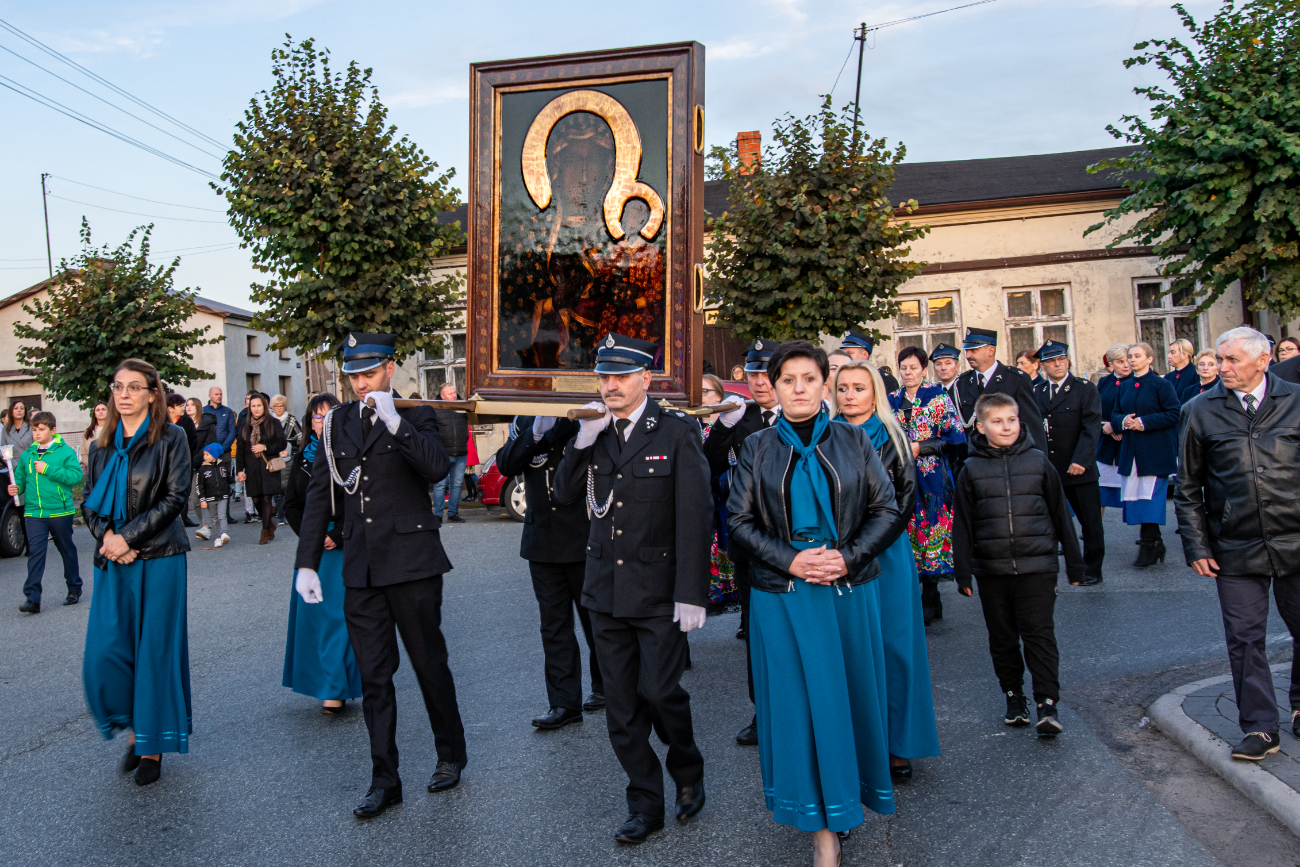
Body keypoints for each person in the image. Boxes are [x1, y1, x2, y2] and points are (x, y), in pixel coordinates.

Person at [727, 340, 900, 867]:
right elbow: (738, 522)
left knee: (844, 702)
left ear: (825, 384)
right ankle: (820, 830)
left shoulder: (855, 440)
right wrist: (792, 561)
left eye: (808, 379)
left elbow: (887, 510)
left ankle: (848, 804)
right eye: (787, 380)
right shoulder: (755, 447)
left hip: (846, 592)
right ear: (774, 388)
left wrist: (847, 558)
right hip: (783, 598)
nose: (798, 389)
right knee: (798, 708)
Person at [294, 333, 466, 819]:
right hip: (363, 566)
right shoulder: (337, 424)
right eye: (353, 376)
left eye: (369, 374)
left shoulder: (416, 415)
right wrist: (306, 561)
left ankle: (450, 753)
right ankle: (384, 778)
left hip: (412, 563)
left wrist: (395, 423)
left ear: (390, 369)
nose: (361, 384)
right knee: (374, 676)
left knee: (429, 663)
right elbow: (319, 495)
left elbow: (435, 468)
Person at [552, 332, 711, 845]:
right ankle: (646, 804)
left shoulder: (675, 431)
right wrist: (580, 439)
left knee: (662, 693)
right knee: (621, 709)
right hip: (604, 590)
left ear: (646, 378)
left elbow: (695, 515)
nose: (611, 385)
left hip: (660, 589)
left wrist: (692, 591)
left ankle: (686, 768)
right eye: (604, 376)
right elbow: (562, 495)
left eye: (621, 376)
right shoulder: (591, 431)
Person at [1177, 326, 1300, 761]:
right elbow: (1188, 486)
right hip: (1235, 546)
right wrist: (1197, 545)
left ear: (1263, 360)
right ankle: (1261, 728)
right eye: (1220, 360)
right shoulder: (1199, 409)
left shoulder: (1296, 401)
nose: (1222, 368)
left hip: (1296, 540)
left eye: (1231, 360)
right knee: (1245, 639)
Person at [82, 358, 193, 786]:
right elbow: (90, 501)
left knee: (154, 653)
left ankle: (150, 745)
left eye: (133, 387)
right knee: (106, 653)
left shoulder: (172, 437)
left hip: (161, 558)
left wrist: (128, 538)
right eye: (117, 387)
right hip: (114, 559)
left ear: (152, 393)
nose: (123, 394)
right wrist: (110, 540)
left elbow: (175, 498)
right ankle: (133, 723)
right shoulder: (100, 445)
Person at [833, 360, 939, 780]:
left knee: (895, 648)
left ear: (875, 392)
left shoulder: (893, 437)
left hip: (887, 554)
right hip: (840, 556)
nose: (850, 395)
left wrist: (865, 545)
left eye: (859, 387)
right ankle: (860, 744)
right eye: (842, 388)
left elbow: (903, 503)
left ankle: (900, 745)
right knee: (852, 652)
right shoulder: (825, 436)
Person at [953, 392, 1083, 736]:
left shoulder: (1039, 462)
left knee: (1039, 634)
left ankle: (1047, 703)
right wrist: (962, 569)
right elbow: (963, 523)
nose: (1006, 426)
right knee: (1003, 637)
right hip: (992, 569)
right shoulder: (971, 468)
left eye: (1011, 420)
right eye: (997, 421)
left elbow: (1060, 514)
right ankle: (1013, 696)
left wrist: (1074, 562)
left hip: (1038, 565)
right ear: (981, 427)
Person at [495, 410, 605, 730]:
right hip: (542, 540)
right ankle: (564, 702)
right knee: (554, 627)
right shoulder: (526, 422)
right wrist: (535, 435)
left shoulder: (583, 420)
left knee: (597, 621)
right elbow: (506, 464)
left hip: (582, 536)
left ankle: (607, 687)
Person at [705, 339, 781, 747]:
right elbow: (709, 466)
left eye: (766, 373)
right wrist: (723, 427)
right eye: (752, 374)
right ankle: (762, 711)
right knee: (758, 634)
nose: (759, 382)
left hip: (798, 546)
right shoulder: (741, 417)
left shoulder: (808, 414)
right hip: (752, 546)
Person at [282, 392, 362, 716]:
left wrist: (335, 535)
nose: (322, 421)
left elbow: (358, 503)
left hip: (342, 546)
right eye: (317, 416)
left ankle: (336, 688)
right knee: (314, 621)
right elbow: (291, 506)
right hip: (314, 551)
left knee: (339, 620)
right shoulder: (303, 458)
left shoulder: (351, 455)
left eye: (328, 415)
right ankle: (324, 685)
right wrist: (313, 539)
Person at [890, 345, 966, 625]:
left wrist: (924, 446)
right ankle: (914, 595)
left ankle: (931, 595)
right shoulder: (891, 400)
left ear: (924, 370)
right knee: (907, 537)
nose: (908, 373)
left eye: (913, 368)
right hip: (899, 480)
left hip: (933, 481)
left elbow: (957, 439)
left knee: (931, 535)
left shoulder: (938, 397)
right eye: (904, 368)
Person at [1033, 341, 1105, 585]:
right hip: (1050, 467)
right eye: (1051, 361)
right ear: (1043, 366)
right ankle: (1049, 569)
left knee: (1090, 522)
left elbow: (1091, 427)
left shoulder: (1084, 389)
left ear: (1067, 361)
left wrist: (1081, 460)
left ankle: (1092, 569)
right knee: (1050, 522)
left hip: (1078, 468)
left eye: (1061, 359)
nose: (1057, 364)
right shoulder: (1037, 392)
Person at [1112, 342, 1181, 567]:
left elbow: (1174, 413)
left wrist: (1144, 422)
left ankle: (1149, 543)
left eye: (1137, 356)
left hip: (1154, 450)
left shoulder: (1162, 384)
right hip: (1131, 450)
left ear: (1149, 359)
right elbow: (1114, 413)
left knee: (1150, 497)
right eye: (1130, 356)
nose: (1132, 360)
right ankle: (1154, 543)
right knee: (1136, 497)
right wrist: (1123, 421)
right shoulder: (1123, 385)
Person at [9, 411, 83, 613]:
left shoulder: (65, 451)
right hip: (34, 513)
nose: (37, 433)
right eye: (34, 429)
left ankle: (74, 588)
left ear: (53, 430)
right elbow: (21, 480)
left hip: (60, 511)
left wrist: (48, 469)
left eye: (41, 429)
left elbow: (75, 477)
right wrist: (16, 488)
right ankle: (32, 598)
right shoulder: (27, 455)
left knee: (66, 550)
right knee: (35, 554)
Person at [953, 327, 1048, 454]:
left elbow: (1032, 426)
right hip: (975, 461)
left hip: (1011, 458)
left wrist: (1037, 465)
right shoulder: (962, 382)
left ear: (991, 350)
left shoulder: (1017, 379)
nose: (968, 356)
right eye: (967, 351)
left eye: (973, 350)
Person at [699, 374, 739, 610]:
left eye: (705, 391)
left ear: (719, 395)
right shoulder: (691, 425)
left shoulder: (728, 426)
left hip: (724, 494)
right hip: (702, 497)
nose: (700, 397)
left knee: (725, 539)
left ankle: (730, 591)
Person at [236, 392, 286, 544]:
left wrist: (264, 447)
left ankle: (265, 531)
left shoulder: (273, 423)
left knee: (266, 497)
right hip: (252, 468)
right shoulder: (245, 426)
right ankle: (270, 524)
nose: (256, 409)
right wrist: (240, 470)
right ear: (249, 407)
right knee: (256, 497)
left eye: (259, 406)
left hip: (268, 466)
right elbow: (240, 450)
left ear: (264, 406)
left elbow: (281, 443)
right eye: (253, 406)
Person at [1096, 344, 1131, 511]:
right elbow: (1094, 410)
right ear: (1111, 364)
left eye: (1128, 360)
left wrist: (1117, 427)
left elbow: (1138, 410)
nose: (1126, 365)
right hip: (1106, 443)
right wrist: (1105, 427)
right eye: (1120, 361)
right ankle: (1095, 531)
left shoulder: (1136, 381)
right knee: (1100, 490)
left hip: (1128, 441)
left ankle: (1146, 532)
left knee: (1133, 491)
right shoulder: (1104, 382)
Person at [432, 383, 469, 524]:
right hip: (443, 454)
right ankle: (438, 515)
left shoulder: (462, 408)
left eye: (454, 392)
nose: (454, 395)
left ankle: (453, 513)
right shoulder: (435, 410)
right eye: (450, 393)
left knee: (457, 485)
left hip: (460, 453)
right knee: (440, 485)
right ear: (442, 396)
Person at [204, 387, 238, 524]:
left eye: (220, 394)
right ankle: (212, 516)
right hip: (207, 454)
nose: (219, 396)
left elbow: (232, 432)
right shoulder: (204, 411)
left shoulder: (227, 412)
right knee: (209, 483)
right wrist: (210, 451)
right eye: (216, 394)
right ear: (209, 395)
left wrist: (221, 449)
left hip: (224, 454)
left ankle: (225, 514)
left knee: (224, 482)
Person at [167, 393, 200, 528]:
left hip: (183, 460)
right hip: (166, 462)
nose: (183, 408)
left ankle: (183, 518)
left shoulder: (186, 421)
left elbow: (193, 441)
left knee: (181, 490)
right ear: (170, 408)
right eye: (180, 406)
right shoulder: (162, 421)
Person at [271, 394, 302, 527]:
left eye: (281, 406)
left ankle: (289, 514)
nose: (279, 408)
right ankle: (280, 515)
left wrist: (289, 446)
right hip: (275, 457)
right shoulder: (270, 421)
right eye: (276, 406)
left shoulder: (291, 420)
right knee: (277, 488)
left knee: (288, 487)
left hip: (289, 457)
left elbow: (300, 437)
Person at [195, 444, 231, 547]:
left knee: (222, 515)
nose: (204, 456)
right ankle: (216, 538)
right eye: (204, 454)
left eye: (207, 454)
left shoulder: (222, 465)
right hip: (209, 498)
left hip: (223, 495)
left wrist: (237, 479)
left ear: (215, 455)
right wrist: (202, 499)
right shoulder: (202, 469)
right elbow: (199, 485)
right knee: (213, 518)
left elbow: (228, 478)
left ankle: (224, 533)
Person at [186, 398, 214, 532]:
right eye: (187, 405)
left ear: (198, 407)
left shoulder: (207, 423)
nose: (188, 407)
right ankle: (205, 525)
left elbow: (208, 445)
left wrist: (195, 462)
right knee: (194, 500)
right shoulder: (183, 425)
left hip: (203, 465)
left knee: (205, 497)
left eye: (192, 405)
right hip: (188, 466)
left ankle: (208, 526)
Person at [236, 391, 259, 523]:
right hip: (248, 454)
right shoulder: (242, 416)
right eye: (248, 400)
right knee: (248, 485)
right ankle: (250, 511)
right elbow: (239, 438)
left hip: (261, 455)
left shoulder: (265, 418)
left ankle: (259, 511)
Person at [80, 402, 109, 472]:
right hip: (94, 470)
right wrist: (92, 464)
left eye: (103, 409)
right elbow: (83, 453)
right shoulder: (88, 432)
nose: (100, 412)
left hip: (110, 468)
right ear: (94, 414)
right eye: (98, 410)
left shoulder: (115, 430)